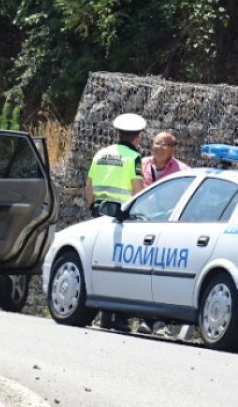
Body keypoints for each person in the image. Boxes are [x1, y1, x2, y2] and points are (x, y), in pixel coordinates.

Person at [86, 112, 146, 332]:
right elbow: (137, 188)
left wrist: (92, 207)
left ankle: (104, 316)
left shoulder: (101, 153)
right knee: (121, 268)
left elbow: (89, 187)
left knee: (99, 264)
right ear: (137, 137)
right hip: (122, 218)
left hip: (99, 214)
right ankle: (117, 318)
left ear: (118, 133)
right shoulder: (133, 157)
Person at [135, 130, 190, 334]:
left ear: (173, 149)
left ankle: (160, 322)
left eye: (163, 145)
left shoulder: (182, 171)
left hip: (168, 228)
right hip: (142, 225)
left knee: (160, 274)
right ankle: (146, 320)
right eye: (155, 143)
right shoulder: (142, 164)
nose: (157, 147)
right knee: (142, 273)